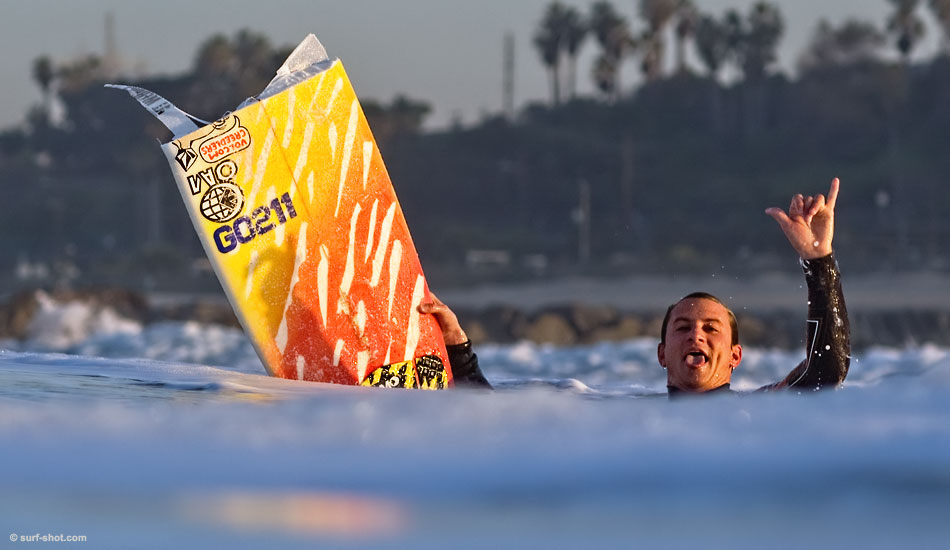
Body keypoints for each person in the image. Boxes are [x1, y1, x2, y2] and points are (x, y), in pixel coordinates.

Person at [419, 178, 849, 394]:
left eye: (710, 328)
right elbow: (488, 411)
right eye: (681, 328)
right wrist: (455, 345)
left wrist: (817, 261)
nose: (694, 334)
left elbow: (826, 374)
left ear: (737, 355)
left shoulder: (759, 410)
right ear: (662, 353)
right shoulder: (619, 415)